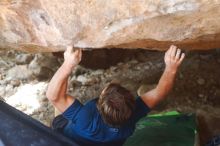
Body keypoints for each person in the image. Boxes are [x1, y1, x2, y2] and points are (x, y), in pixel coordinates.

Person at [46, 45, 185, 146]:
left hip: (68, 140)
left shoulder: (86, 118)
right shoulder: (133, 115)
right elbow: (160, 92)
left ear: (100, 100)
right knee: (63, 101)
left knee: (60, 107)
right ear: (132, 103)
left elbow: (53, 96)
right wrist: (171, 67)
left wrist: (68, 64)